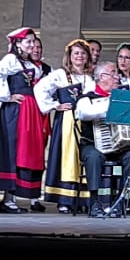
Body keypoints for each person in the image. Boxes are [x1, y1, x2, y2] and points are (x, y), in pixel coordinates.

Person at [75, 63, 130, 218]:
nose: (117, 77)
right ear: (102, 77)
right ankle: (94, 203)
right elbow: (84, 113)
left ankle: (120, 202)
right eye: (113, 73)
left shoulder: (122, 97)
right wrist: (112, 106)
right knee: (93, 157)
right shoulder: (87, 98)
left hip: (119, 147)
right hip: (92, 145)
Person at [0, 27, 50, 212]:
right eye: (28, 42)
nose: (32, 45)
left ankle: (16, 197)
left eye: (33, 41)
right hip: (16, 112)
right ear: (17, 44)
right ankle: (8, 200)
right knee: (13, 150)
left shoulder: (31, 64)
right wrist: (6, 96)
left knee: (25, 151)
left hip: (30, 111)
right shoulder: (11, 60)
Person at [36, 38, 94, 213]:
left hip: (84, 122)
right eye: (76, 53)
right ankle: (64, 200)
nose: (79, 56)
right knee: (66, 158)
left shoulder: (89, 77)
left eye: (83, 53)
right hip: (67, 122)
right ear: (69, 56)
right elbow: (40, 89)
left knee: (81, 158)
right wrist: (54, 105)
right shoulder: (60, 75)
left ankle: (81, 199)